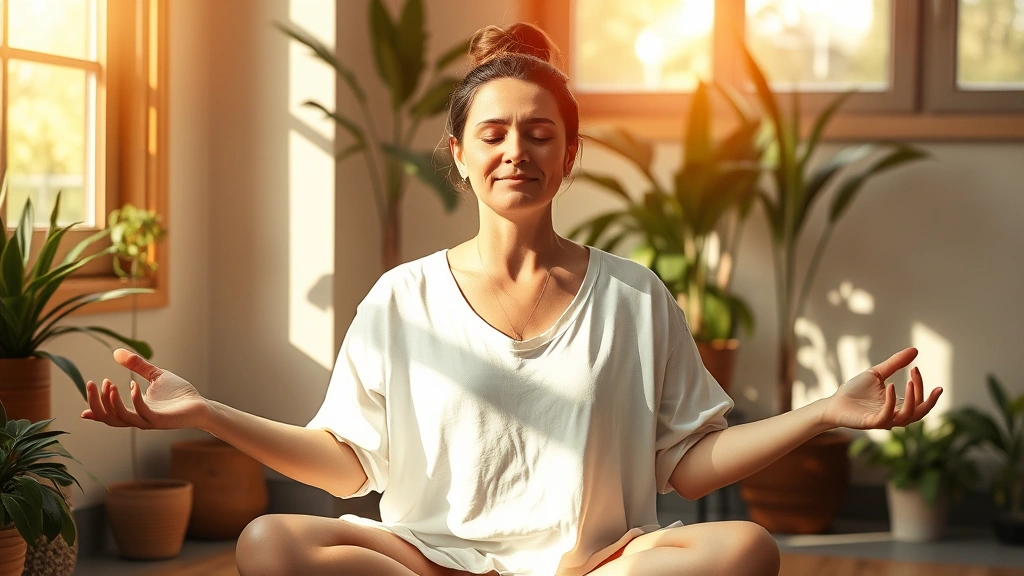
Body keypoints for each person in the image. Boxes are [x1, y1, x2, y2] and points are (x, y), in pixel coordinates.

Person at [82, 22, 942, 576]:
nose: (516, 152)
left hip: (594, 565)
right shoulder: (400, 298)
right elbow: (347, 465)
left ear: (568, 156)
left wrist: (827, 412)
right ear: (457, 154)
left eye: (540, 135)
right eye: (492, 134)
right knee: (270, 543)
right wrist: (206, 414)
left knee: (746, 548)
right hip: (428, 560)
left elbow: (685, 464)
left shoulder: (635, 297)